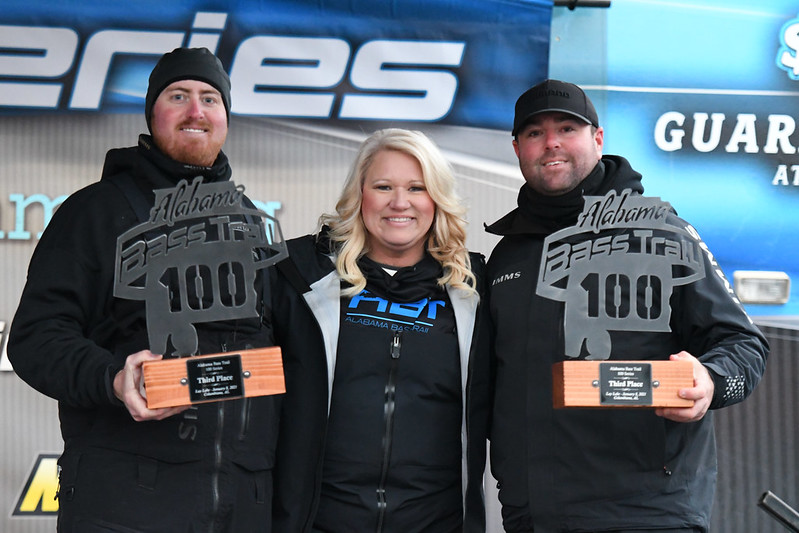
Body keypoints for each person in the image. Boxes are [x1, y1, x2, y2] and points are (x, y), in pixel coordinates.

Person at [8, 47, 280, 532]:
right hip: (123, 506)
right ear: (152, 113)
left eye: (210, 99)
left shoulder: (253, 225)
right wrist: (114, 379)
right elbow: (35, 338)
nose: (196, 111)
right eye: (178, 96)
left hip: (239, 507)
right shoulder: (94, 212)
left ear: (225, 117)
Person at [485, 79, 768, 533]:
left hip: (646, 513)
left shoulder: (662, 232)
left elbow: (745, 345)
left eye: (567, 128)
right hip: (533, 515)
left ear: (597, 139)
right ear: (518, 148)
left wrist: (712, 382)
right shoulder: (507, 256)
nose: (551, 142)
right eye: (535, 133)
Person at [269, 128, 490, 532]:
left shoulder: (474, 289)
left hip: (434, 523)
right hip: (319, 522)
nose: (399, 203)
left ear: (436, 199)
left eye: (417, 188)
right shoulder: (297, 275)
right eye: (383, 186)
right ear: (360, 194)